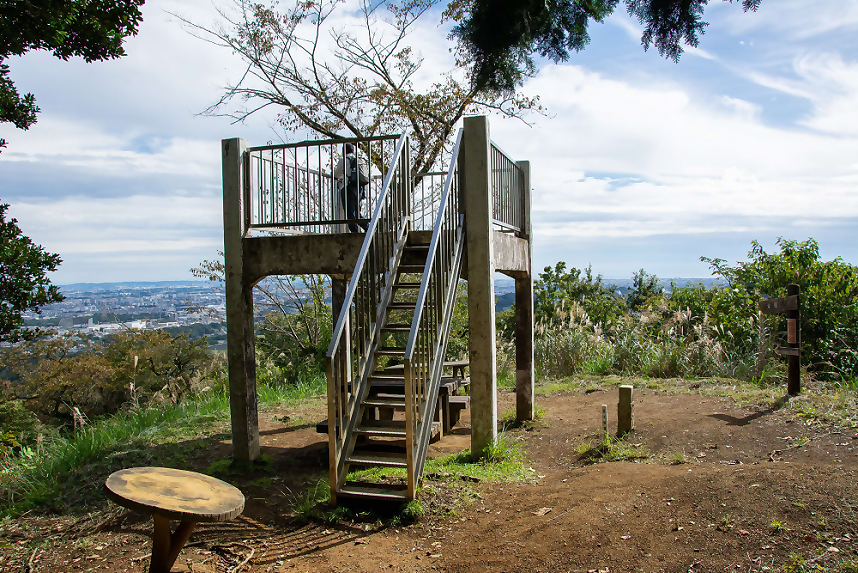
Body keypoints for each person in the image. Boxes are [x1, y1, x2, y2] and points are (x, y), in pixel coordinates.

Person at [334, 143, 370, 232]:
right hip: (360, 189)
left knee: (350, 213)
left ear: (344, 151)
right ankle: (368, 228)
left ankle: (355, 232)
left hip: (348, 188)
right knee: (357, 212)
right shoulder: (360, 160)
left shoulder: (343, 160)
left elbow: (336, 175)